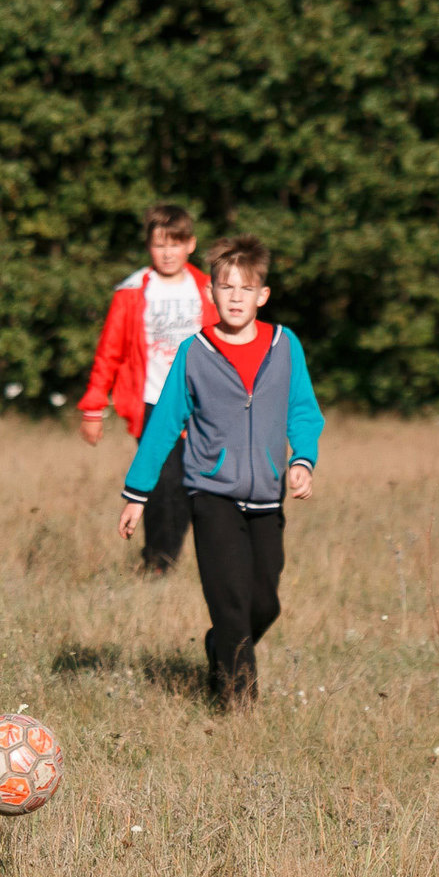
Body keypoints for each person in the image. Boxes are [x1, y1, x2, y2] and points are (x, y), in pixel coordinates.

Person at [117, 235, 323, 705]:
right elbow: (164, 425)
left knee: (263, 603)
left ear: (262, 296)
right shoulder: (195, 352)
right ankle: (236, 705)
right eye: (226, 288)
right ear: (210, 293)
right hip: (212, 495)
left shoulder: (285, 345)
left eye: (245, 289)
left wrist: (302, 460)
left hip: (268, 496)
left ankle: (219, 647)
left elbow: (304, 411)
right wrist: (136, 494)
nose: (235, 297)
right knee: (229, 604)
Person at [80, 203, 215, 575]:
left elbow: (228, 347)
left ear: (191, 243)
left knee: (192, 482)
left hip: (201, 405)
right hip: (153, 402)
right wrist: (94, 407)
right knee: (161, 479)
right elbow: (109, 352)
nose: (167, 252)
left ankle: (169, 557)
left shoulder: (208, 290)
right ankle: (157, 562)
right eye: (159, 244)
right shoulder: (132, 292)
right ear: (148, 246)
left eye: (176, 243)